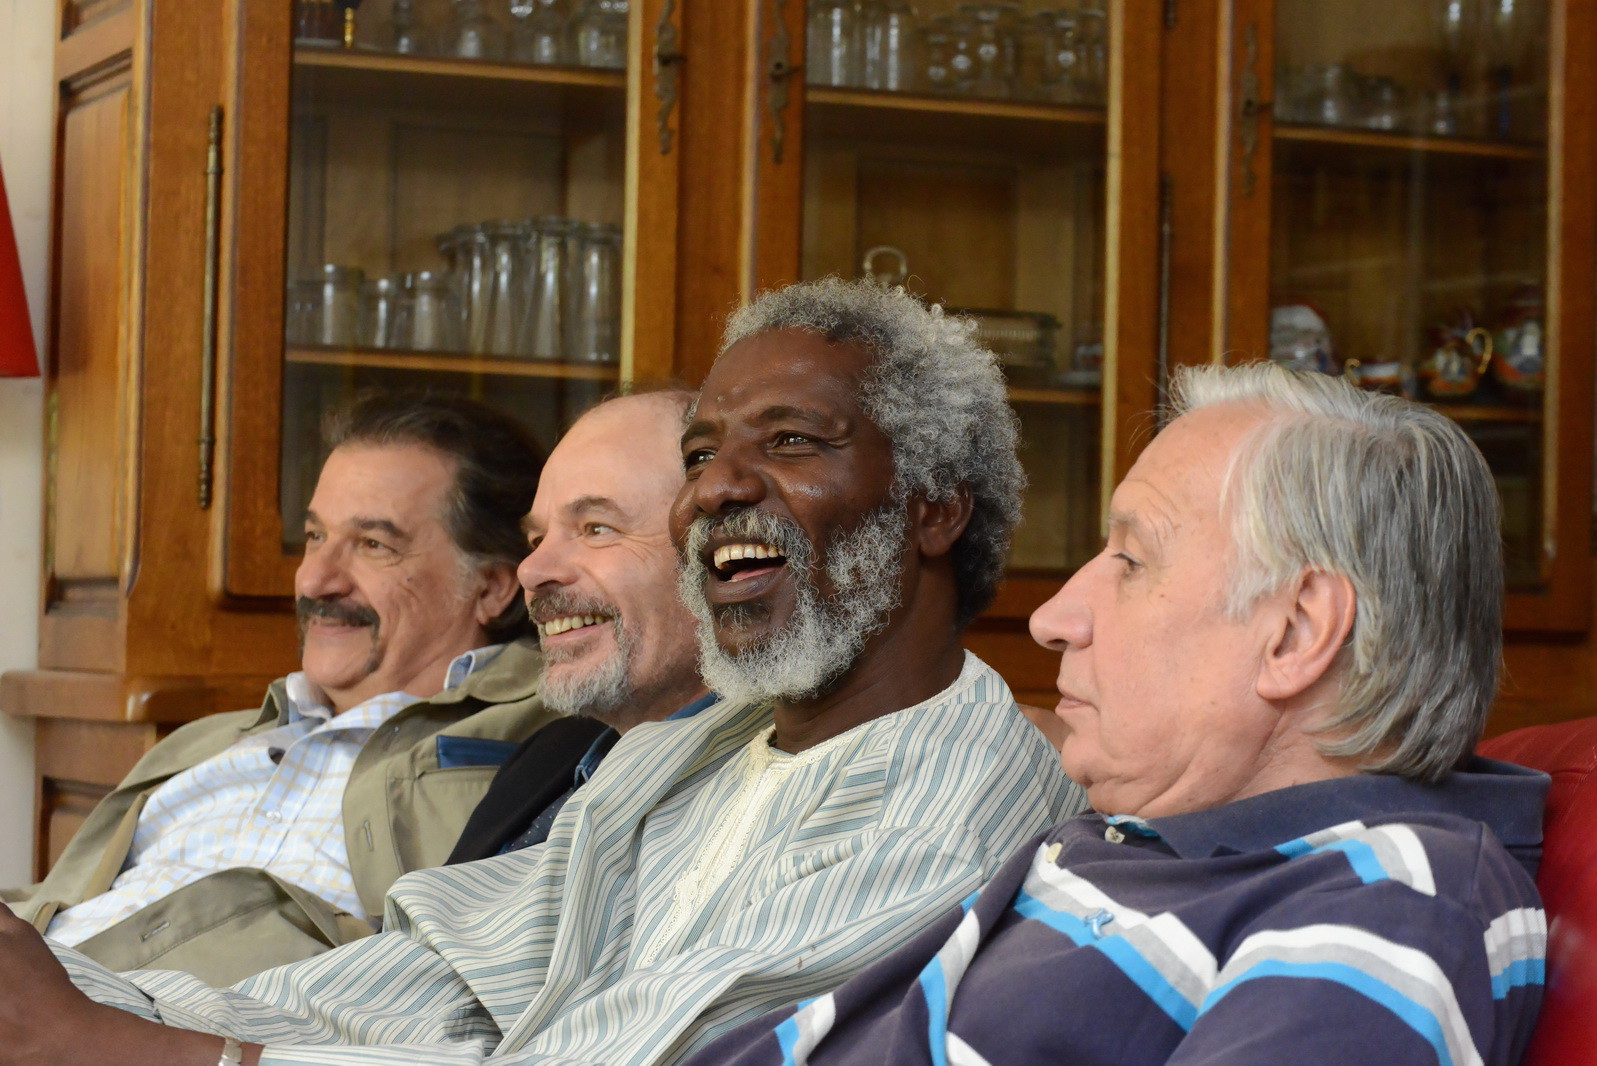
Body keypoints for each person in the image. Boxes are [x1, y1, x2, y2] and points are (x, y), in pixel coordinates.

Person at [0, 278, 1083, 1066]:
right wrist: (72, 993)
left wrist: (156, 1054)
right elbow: (432, 982)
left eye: (790, 440)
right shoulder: (690, 753)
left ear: (933, 507)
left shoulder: (951, 799)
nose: (714, 489)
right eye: (701, 455)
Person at [681, 362, 1549, 1066]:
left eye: (1130, 560)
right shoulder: (1145, 838)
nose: (1056, 619)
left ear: (1295, 633)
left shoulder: (1387, 902)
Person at [1, 393, 554, 985]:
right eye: (315, 537)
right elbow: (51, 912)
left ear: (494, 588)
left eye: (373, 545)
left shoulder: (542, 745)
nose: (315, 579)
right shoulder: (203, 746)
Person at [448, 389, 713, 863]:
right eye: (537, 537)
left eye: (596, 528)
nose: (531, 571)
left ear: (721, 546)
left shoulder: (778, 783)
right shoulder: (547, 756)